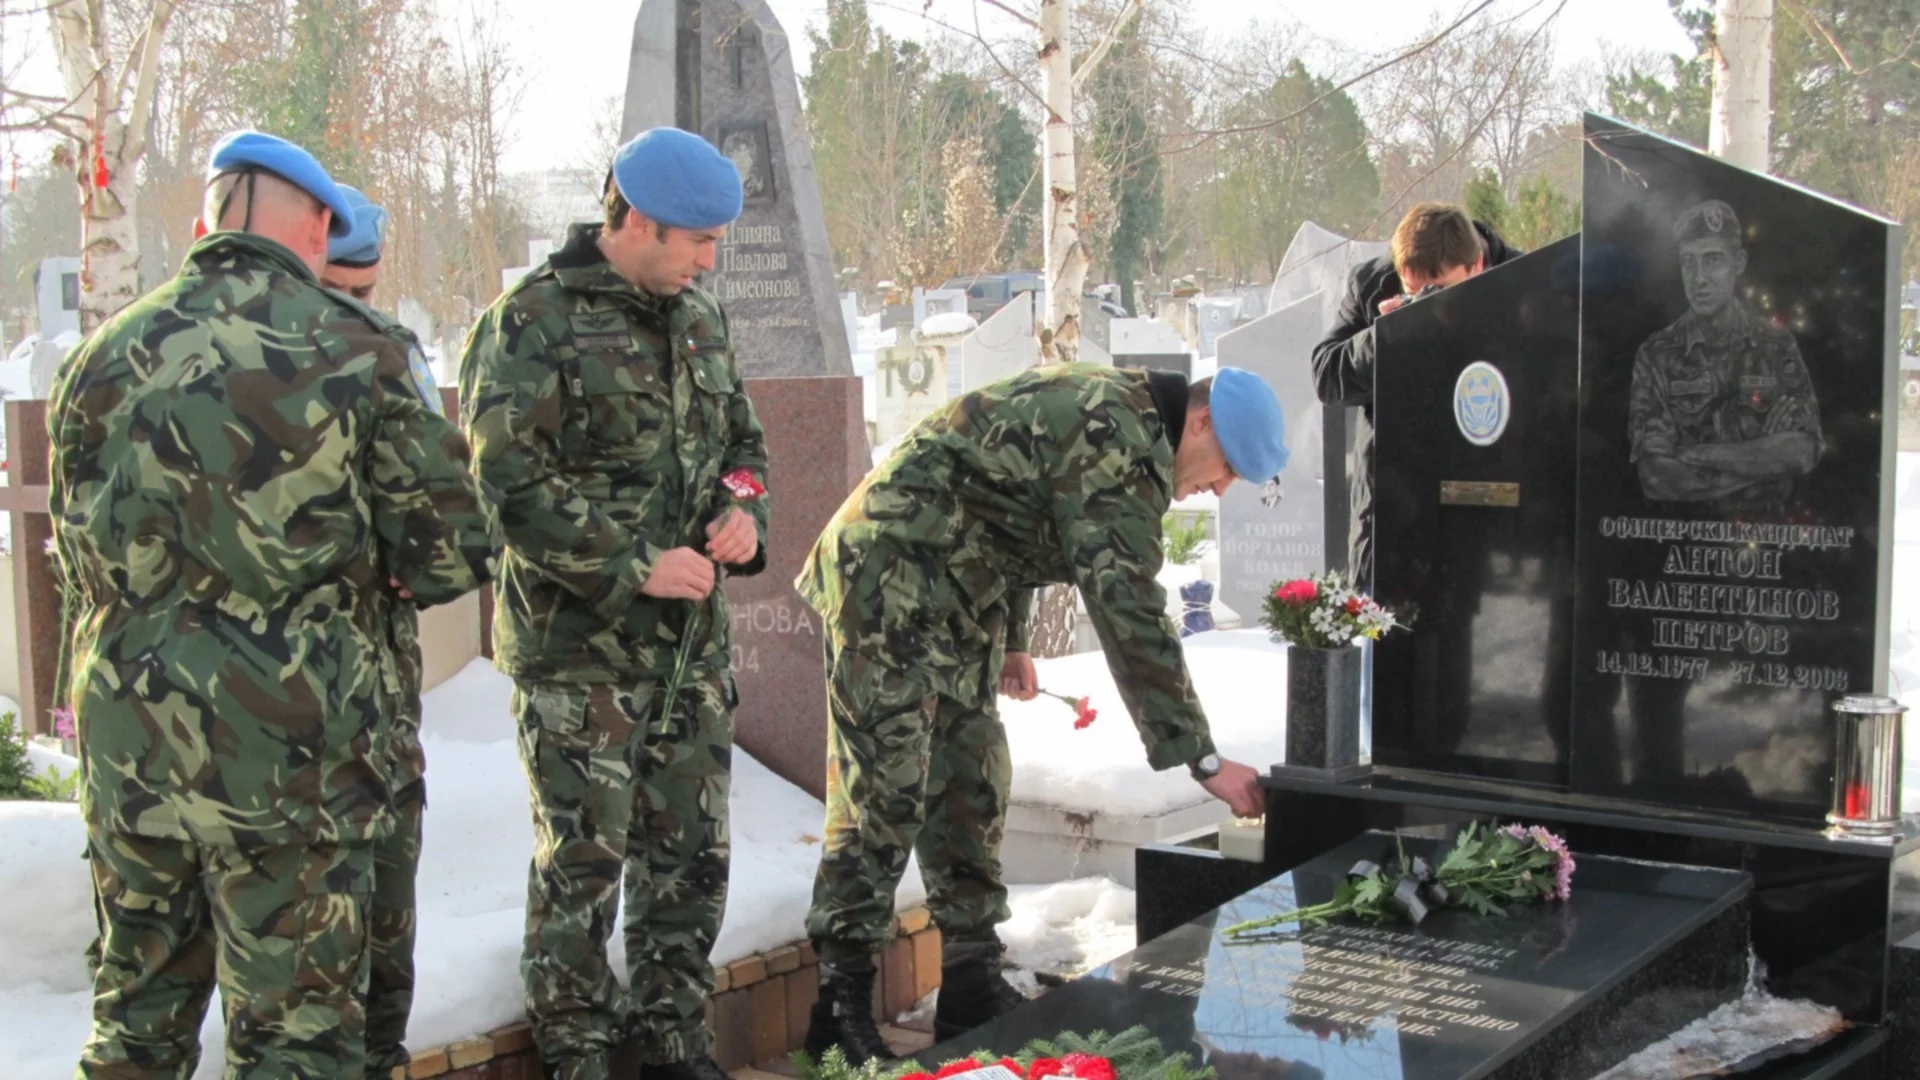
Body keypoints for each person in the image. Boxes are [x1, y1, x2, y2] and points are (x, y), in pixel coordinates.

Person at [51, 129, 493, 1079]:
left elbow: (81, 554)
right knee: (295, 1043)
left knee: (134, 1026)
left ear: (206, 219)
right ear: (320, 226)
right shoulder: (358, 347)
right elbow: (450, 552)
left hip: (134, 753)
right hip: (293, 766)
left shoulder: (100, 356)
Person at [797, 364, 1285, 1065]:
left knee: (972, 779)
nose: (1220, 488)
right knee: (884, 786)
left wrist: (1013, 640)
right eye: (1228, 467)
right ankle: (838, 1009)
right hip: (888, 573)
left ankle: (970, 981)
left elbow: (1014, 506)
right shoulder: (1117, 438)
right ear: (1201, 422)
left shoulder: (1135, 425)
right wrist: (1201, 758)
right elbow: (1128, 610)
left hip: (958, 585)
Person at [460, 127, 770, 1080]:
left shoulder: (700, 320)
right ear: (636, 219)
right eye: (698, 241)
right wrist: (634, 563)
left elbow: (744, 448)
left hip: (688, 651)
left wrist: (744, 516)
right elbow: (507, 483)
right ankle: (579, 1054)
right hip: (580, 657)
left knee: (690, 861)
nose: (709, 262)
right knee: (583, 869)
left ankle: (675, 1043)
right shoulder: (531, 322)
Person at [321, 182, 442, 1075]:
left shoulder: (390, 355)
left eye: (365, 293)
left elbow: (444, 526)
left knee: (382, 956)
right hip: (287, 736)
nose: (353, 311)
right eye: (338, 290)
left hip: (377, 709)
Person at [1310, 202, 1522, 585]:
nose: (1428, 302)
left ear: (1476, 266)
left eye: (1440, 290)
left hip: (1482, 505)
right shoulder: (1373, 283)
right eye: (1415, 292)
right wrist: (1387, 336)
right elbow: (1327, 377)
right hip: (1391, 508)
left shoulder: (1523, 281)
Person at [1629, 198, 1820, 510]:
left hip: (1766, 530)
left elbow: (1802, 452)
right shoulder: (1656, 354)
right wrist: (1765, 461)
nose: (1699, 278)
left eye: (1713, 260)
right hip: (1681, 532)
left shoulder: (1775, 345)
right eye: (1689, 262)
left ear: (1739, 263)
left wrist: (1698, 454)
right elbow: (1655, 476)